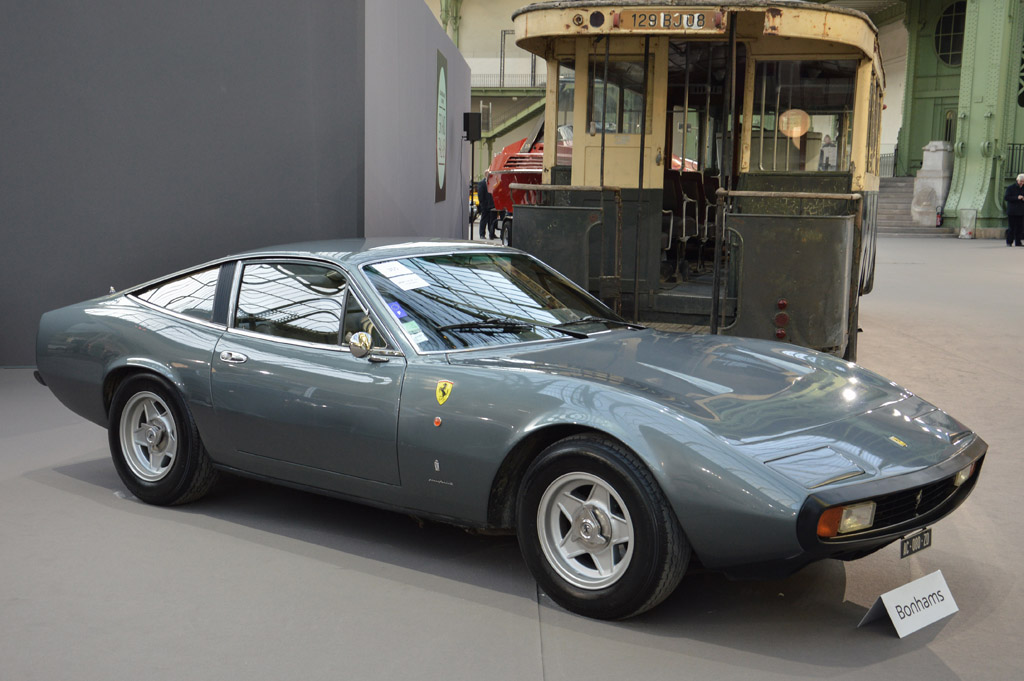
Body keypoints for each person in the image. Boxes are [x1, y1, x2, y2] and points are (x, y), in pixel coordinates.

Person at [1004, 173, 1024, 246]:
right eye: (1020, 181)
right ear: (1017, 180)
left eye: (1023, 181)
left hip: (1021, 211)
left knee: (1020, 228)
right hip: (1012, 211)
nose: (1022, 183)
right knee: (1011, 227)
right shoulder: (1010, 188)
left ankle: (1018, 242)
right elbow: (1006, 197)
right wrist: (1017, 197)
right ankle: (1009, 242)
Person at [477, 174, 497, 239]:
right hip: (485, 206)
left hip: (492, 205)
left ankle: (492, 234)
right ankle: (482, 234)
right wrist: (483, 205)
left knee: (492, 220)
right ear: (486, 175)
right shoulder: (482, 183)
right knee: (484, 220)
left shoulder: (492, 183)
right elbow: (480, 195)